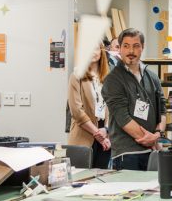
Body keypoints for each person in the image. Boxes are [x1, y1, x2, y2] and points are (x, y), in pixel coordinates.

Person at [102, 29, 166, 171]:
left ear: (142, 47)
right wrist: (150, 140)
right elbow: (122, 118)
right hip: (127, 153)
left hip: (153, 152)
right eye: (126, 46)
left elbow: (162, 110)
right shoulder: (113, 80)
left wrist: (157, 134)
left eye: (136, 46)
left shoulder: (152, 77)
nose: (131, 50)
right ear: (120, 48)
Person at [67, 45, 112, 168]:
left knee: (101, 178)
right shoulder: (76, 76)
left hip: (105, 134)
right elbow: (76, 111)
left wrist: (106, 130)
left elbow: (112, 107)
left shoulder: (108, 78)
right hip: (84, 133)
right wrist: (98, 134)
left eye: (96, 48)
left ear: (101, 51)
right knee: (81, 179)